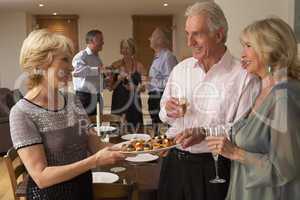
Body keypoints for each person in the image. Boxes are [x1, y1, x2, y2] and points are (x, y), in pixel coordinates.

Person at [158, 2, 260, 200]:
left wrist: (205, 133)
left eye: (196, 34)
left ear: (219, 35)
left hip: (215, 169)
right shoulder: (181, 69)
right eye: (187, 34)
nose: (189, 42)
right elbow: (163, 113)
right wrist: (168, 110)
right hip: (174, 164)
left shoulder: (244, 77)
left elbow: (242, 131)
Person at [9, 29, 125, 200]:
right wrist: (94, 161)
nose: (71, 67)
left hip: (83, 189)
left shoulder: (72, 100)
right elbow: (41, 177)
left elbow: (96, 146)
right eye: (64, 59)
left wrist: (136, 148)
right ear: (40, 63)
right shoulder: (22, 113)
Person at [203, 17, 300, 200]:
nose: (242, 54)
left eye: (248, 46)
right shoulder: (264, 89)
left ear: (270, 49)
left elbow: (285, 169)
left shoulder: (284, 97)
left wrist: (235, 152)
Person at [109, 38, 145, 131]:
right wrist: (119, 79)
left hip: (134, 103)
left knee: (135, 131)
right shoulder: (115, 65)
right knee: (117, 132)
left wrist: (134, 88)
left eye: (128, 48)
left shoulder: (139, 66)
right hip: (119, 102)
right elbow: (110, 87)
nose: (125, 50)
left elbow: (144, 88)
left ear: (133, 49)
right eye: (123, 48)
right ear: (120, 50)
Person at [148, 27, 178, 135]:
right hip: (154, 97)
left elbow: (171, 83)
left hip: (161, 97)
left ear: (160, 40)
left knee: (162, 130)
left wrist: (151, 81)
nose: (149, 39)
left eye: (152, 37)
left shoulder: (167, 57)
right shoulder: (158, 57)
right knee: (156, 129)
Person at [72, 29, 104, 116]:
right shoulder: (81, 56)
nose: (103, 42)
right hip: (84, 98)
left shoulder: (97, 58)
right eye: (100, 40)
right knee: (84, 126)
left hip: (96, 96)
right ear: (91, 41)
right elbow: (77, 72)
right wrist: (98, 70)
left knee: (97, 125)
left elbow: (95, 79)